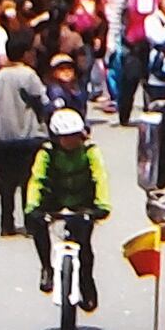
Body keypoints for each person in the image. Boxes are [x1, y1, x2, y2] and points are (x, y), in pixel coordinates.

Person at [25, 107, 109, 313]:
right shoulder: (47, 153)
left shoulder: (90, 151)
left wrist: (102, 205)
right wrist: (32, 206)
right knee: (38, 225)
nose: (71, 141)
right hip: (54, 200)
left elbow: (100, 177)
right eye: (65, 137)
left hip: (83, 202)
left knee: (85, 245)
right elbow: (37, 179)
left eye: (74, 136)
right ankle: (47, 267)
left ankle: (87, 284)